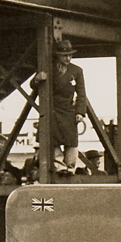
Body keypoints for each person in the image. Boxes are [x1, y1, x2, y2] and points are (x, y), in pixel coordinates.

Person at [35, 39, 87, 175]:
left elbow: (82, 94)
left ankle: (70, 167)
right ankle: (60, 167)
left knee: (71, 141)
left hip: (69, 111)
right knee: (52, 140)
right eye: (65, 55)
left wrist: (80, 112)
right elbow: (33, 86)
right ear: (58, 55)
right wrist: (38, 78)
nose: (68, 58)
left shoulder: (76, 71)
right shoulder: (48, 69)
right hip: (52, 110)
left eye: (70, 55)